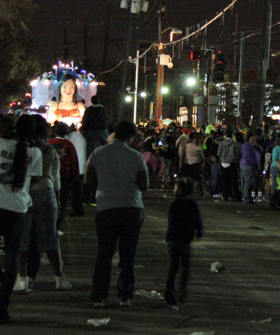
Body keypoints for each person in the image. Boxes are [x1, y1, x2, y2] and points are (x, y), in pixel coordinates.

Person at [0, 113, 43, 323]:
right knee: (12, 256)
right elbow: (33, 180)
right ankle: (2, 307)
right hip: (17, 208)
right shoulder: (34, 152)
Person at [85, 120, 148, 307]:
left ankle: (99, 296)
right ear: (131, 136)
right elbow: (144, 184)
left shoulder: (98, 153)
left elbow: (88, 181)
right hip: (131, 207)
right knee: (128, 254)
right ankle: (125, 295)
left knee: (104, 253)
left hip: (106, 207)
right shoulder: (136, 156)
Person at [19, 116, 72, 293]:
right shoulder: (48, 150)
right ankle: (59, 277)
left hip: (24, 194)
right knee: (50, 238)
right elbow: (55, 179)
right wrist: (57, 201)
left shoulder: (20, 147)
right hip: (45, 193)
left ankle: (22, 278)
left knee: (23, 239)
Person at [163, 178, 203, 306]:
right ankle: (182, 290)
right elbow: (198, 221)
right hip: (186, 241)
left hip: (175, 242)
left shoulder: (175, 205)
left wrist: (169, 238)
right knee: (185, 267)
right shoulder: (192, 205)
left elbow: (171, 224)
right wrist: (198, 232)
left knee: (174, 267)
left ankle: (169, 290)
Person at [240, 133, 263, 204]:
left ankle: (248, 197)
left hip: (253, 166)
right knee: (248, 182)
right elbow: (247, 157)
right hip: (248, 166)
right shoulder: (246, 146)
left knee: (251, 182)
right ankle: (246, 198)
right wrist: (254, 164)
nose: (253, 141)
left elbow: (261, 150)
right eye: (252, 139)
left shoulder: (254, 146)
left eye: (254, 139)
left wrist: (257, 145)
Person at [269, 134, 280, 210]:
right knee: (276, 186)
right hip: (277, 169)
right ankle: (274, 203)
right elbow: (277, 160)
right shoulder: (277, 148)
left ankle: (278, 203)